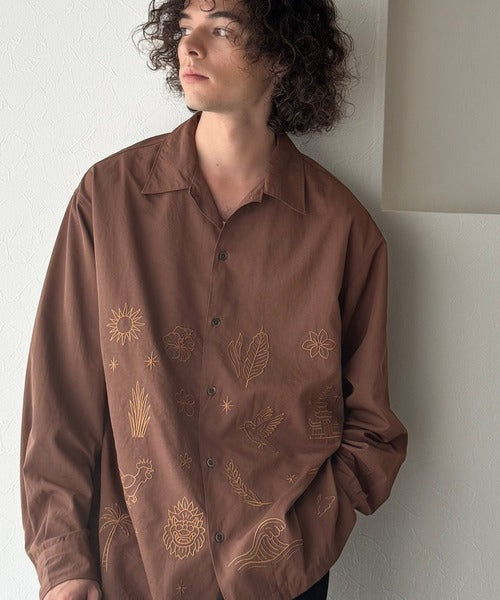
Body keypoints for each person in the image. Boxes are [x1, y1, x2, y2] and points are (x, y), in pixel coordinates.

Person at [19, 0, 408, 598]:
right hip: (130, 574)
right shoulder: (110, 200)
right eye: (184, 28)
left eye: (222, 28)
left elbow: (374, 429)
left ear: (282, 54)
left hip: (283, 580)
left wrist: (305, 536)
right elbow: (61, 399)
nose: (190, 47)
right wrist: (64, 565)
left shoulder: (343, 230)